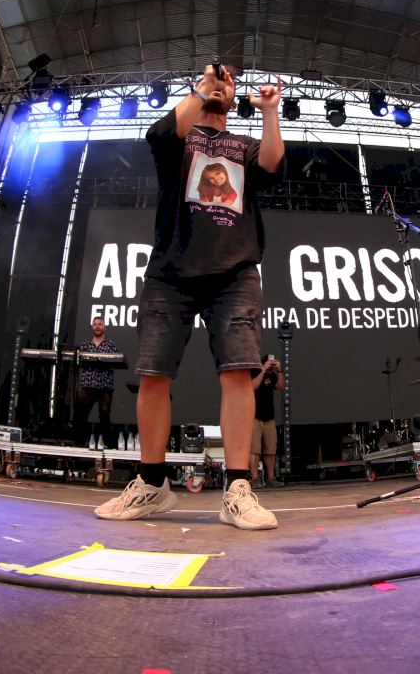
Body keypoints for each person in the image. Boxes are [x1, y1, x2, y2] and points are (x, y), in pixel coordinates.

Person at [94, 62, 285, 530]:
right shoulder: (181, 139)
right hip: (171, 271)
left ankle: (238, 489)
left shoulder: (243, 146)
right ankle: (152, 485)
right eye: (215, 79)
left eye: (228, 82)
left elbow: (272, 164)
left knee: (238, 372)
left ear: (235, 99)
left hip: (235, 272)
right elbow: (158, 135)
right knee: (153, 375)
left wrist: (270, 111)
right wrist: (203, 88)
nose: (222, 84)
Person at [74, 316, 121, 449]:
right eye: (95, 324)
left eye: (100, 324)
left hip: (105, 386)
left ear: (104, 327)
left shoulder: (110, 345)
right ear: (92, 327)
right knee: (81, 415)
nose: (98, 326)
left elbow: (117, 363)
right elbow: (78, 362)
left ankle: (106, 444)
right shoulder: (85, 345)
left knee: (104, 416)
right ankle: (79, 443)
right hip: (88, 386)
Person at [250, 354, 285, 487]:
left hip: (269, 418)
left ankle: (271, 478)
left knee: (271, 450)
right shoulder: (255, 372)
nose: (271, 366)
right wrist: (263, 370)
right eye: (269, 363)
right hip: (255, 417)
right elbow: (252, 386)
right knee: (255, 449)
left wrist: (280, 370)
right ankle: (255, 478)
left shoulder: (273, 375)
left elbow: (281, 387)